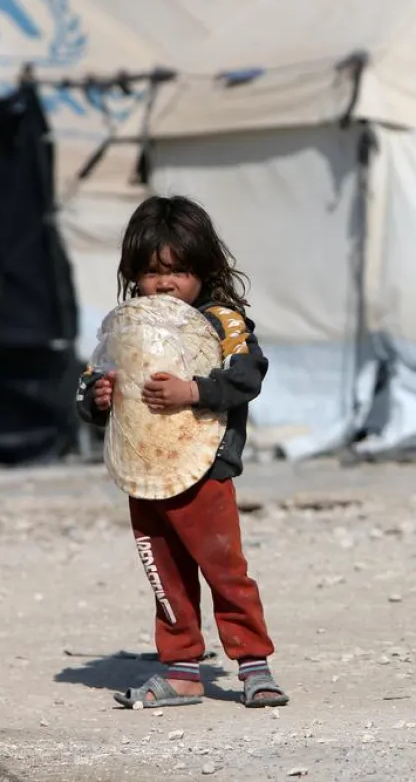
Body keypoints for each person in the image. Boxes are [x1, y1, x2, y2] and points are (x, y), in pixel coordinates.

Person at [75, 195, 288, 710]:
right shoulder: (126, 326)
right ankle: (183, 669)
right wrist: (98, 399)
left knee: (224, 569)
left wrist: (194, 391)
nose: (164, 283)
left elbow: (247, 376)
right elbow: (93, 377)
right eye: (151, 272)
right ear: (133, 274)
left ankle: (254, 664)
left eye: (179, 271)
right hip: (143, 472)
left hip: (205, 470)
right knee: (163, 573)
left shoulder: (221, 322)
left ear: (204, 270)